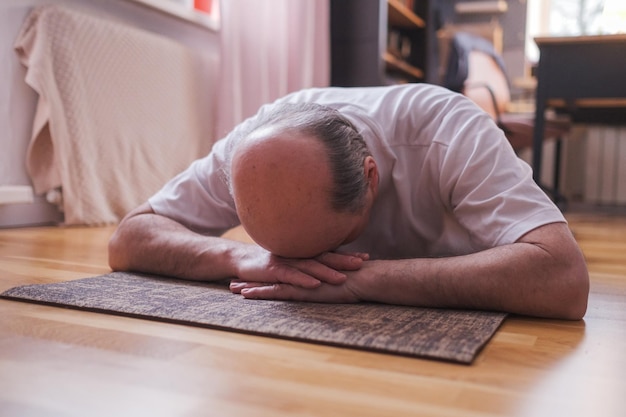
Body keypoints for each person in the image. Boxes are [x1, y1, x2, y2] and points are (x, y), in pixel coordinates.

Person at [108, 83, 589, 320]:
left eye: (320, 253)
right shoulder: (255, 145)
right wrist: (244, 257)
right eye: (288, 257)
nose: (306, 272)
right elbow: (129, 237)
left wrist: (363, 281)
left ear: (370, 179)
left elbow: (563, 278)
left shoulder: (450, 130)